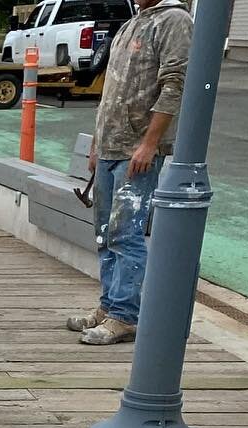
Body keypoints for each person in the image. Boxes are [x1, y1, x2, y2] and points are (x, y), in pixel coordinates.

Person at [67, 0, 193, 345]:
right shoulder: (133, 23)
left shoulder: (174, 20)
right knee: (105, 232)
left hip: (137, 151)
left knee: (127, 233)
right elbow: (111, 89)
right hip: (111, 146)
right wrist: (97, 143)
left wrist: (150, 143)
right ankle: (108, 306)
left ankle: (125, 315)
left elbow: (175, 85)